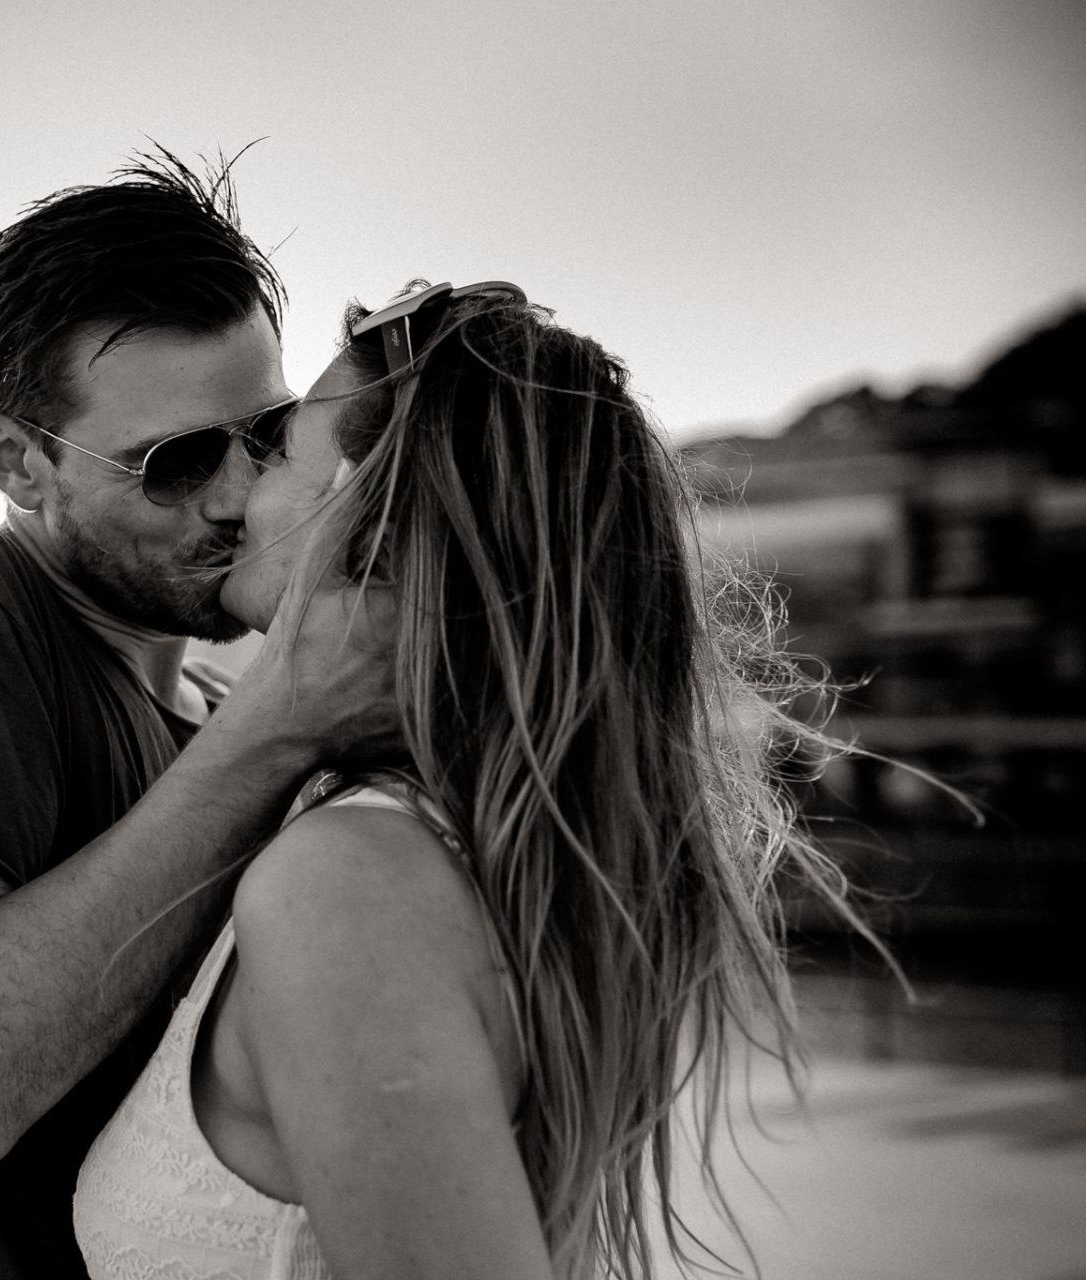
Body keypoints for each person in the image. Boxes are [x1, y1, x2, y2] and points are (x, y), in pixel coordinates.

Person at [73, 280, 873, 1279]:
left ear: (366, 515)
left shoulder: (350, 888)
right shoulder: (465, 850)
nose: (230, 495)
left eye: (274, 451)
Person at [0, 153, 397, 1279]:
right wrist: (284, 719)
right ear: (17, 462)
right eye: (174, 461)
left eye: (264, 434)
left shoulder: (226, 718)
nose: (233, 495)